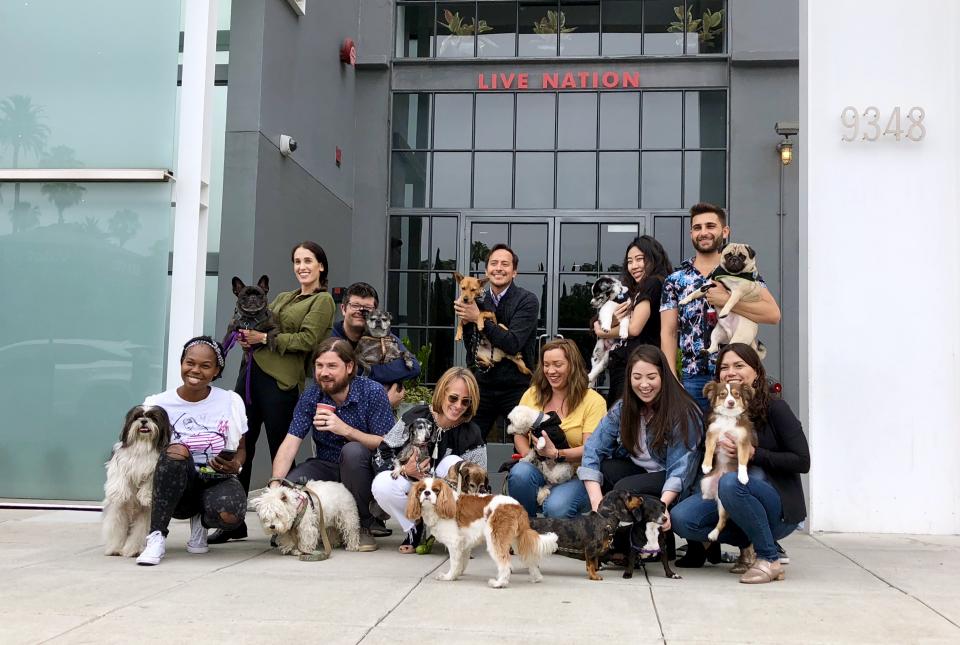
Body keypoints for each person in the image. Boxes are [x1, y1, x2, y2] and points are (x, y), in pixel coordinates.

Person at [211, 241, 336, 544]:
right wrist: (245, 339)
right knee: (240, 446)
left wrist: (263, 338)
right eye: (297, 261)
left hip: (281, 382)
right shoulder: (281, 297)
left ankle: (287, 522)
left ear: (321, 266)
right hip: (250, 377)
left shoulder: (322, 302)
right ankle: (233, 520)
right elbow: (256, 324)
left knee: (282, 451)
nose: (302, 267)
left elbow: (307, 340)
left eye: (308, 260)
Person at [670, 343, 809, 584]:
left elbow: (802, 461)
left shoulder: (776, 408)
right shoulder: (717, 412)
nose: (730, 371)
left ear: (756, 371)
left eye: (739, 365)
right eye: (724, 367)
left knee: (732, 482)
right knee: (683, 518)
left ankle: (768, 557)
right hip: (733, 498)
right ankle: (748, 544)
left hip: (777, 507)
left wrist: (754, 453)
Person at [269, 337, 395, 552]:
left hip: (366, 466)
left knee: (353, 451)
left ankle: (364, 526)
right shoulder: (311, 395)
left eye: (331, 366)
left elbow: (387, 443)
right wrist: (275, 485)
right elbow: (290, 443)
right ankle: (291, 527)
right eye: (319, 366)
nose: (324, 372)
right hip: (327, 463)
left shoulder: (371, 392)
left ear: (349, 367)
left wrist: (345, 430)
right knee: (290, 486)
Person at [136, 337, 248, 566]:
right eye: (190, 362)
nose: (195, 370)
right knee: (177, 450)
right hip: (176, 483)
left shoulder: (229, 400)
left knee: (230, 516)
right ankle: (156, 536)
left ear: (217, 370)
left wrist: (236, 464)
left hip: (216, 477)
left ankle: (201, 523)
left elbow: (242, 448)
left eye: (205, 366)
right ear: (181, 364)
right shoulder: (157, 404)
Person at [660, 203, 781, 411]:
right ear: (691, 233)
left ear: (724, 231)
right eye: (697, 228)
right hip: (693, 377)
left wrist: (727, 301)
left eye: (710, 226)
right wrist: (671, 380)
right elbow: (668, 332)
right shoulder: (675, 280)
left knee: (736, 440)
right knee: (691, 441)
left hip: (738, 378)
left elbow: (773, 314)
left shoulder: (745, 274)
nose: (704, 232)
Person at [578, 344, 702, 542]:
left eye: (651, 377)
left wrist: (662, 508)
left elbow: (681, 469)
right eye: (637, 377)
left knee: (624, 488)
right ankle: (616, 537)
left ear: (664, 376)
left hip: (675, 478)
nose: (644, 384)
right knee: (605, 468)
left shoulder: (683, 411)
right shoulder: (623, 407)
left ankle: (649, 540)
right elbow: (593, 449)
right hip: (643, 471)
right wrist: (596, 504)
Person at [370, 367, 486, 553]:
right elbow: (383, 451)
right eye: (453, 398)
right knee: (382, 484)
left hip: (446, 501)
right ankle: (414, 527)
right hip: (413, 489)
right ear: (442, 393)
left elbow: (478, 483)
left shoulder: (471, 433)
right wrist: (406, 470)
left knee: (454, 462)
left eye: (466, 401)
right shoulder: (416, 416)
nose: (458, 406)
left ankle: (451, 533)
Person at [507, 339, 607, 518]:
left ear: (572, 365)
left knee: (556, 507)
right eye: (546, 365)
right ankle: (526, 533)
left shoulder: (593, 401)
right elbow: (519, 434)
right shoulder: (532, 394)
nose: (551, 371)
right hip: (540, 468)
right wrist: (530, 459)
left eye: (558, 364)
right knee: (520, 474)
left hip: (576, 475)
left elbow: (590, 449)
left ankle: (564, 542)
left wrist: (556, 453)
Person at [454, 243, 539, 438]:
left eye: (505, 264)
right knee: (469, 440)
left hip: (516, 386)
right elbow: (472, 345)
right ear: (486, 271)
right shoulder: (475, 299)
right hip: (482, 384)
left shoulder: (527, 300)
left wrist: (477, 317)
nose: (498, 268)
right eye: (494, 263)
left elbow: (513, 343)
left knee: (524, 442)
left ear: (514, 272)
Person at [593, 235, 672, 405]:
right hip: (626, 366)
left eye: (640, 259)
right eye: (630, 261)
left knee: (625, 421)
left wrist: (602, 332)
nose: (633, 266)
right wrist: (610, 321)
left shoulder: (653, 283)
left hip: (638, 366)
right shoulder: (633, 289)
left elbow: (635, 328)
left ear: (654, 258)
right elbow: (596, 319)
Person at [331, 281, 421, 409]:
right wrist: (385, 403)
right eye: (355, 305)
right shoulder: (331, 339)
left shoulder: (383, 336)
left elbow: (414, 367)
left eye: (367, 308)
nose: (361, 311)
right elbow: (342, 376)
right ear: (344, 309)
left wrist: (369, 371)